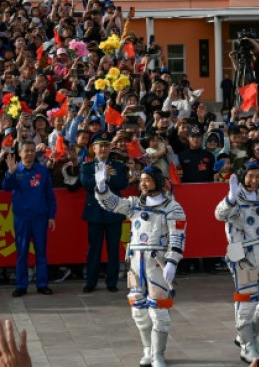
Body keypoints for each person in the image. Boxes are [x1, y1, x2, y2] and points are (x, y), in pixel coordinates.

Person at [96, 166, 185, 367]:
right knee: (138, 309)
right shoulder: (134, 204)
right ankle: (147, 350)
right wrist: (102, 187)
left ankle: (158, 354)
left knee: (159, 311)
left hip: (158, 263)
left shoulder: (172, 207)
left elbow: (178, 237)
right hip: (135, 263)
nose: (143, 184)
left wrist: (172, 261)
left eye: (147, 180)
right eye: (141, 180)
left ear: (158, 181)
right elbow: (112, 204)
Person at [214, 163, 259, 362]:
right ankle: (247, 346)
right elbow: (219, 214)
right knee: (246, 303)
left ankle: (247, 337)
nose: (254, 180)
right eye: (250, 177)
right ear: (242, 177)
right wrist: (230, 198)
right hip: (242, 254)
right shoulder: (234, 199)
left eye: (257, 176)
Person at [3, 141, 57, 297]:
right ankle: (21, 285)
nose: (30, 154)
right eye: (26, 151)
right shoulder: (16, 170)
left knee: (41, 252)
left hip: (40, 218)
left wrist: (51, 215)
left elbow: (49, 195)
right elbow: (6, 187)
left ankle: (42, 284)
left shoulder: (42, 170)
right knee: (22, 253)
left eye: (32, 151)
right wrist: (10, 173)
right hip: (22, 219)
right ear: (20, 153)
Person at [79, 136, 128, 293]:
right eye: (100, 146)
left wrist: (109, 177)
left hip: (113, 212)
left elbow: (123, 183)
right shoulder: (87, 166)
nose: (103, 149)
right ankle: (91, 282)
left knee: (113, 249)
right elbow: (86, 184)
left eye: (106, 146)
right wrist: (100, 176)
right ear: (94, 148)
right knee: (94, 249)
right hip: (95, 213)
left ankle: (111, 281)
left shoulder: (118, 166)